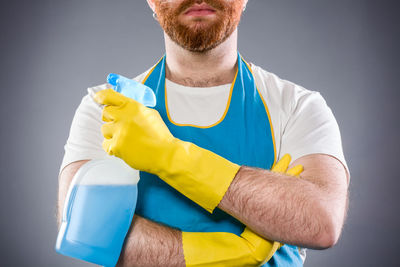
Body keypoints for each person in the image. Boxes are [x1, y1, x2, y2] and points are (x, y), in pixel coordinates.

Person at [57, 0, 349, 266]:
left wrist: (167, 154)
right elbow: (86, 230)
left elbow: (321, 222)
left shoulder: (296, 106)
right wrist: (233, 253)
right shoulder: (107, 107)